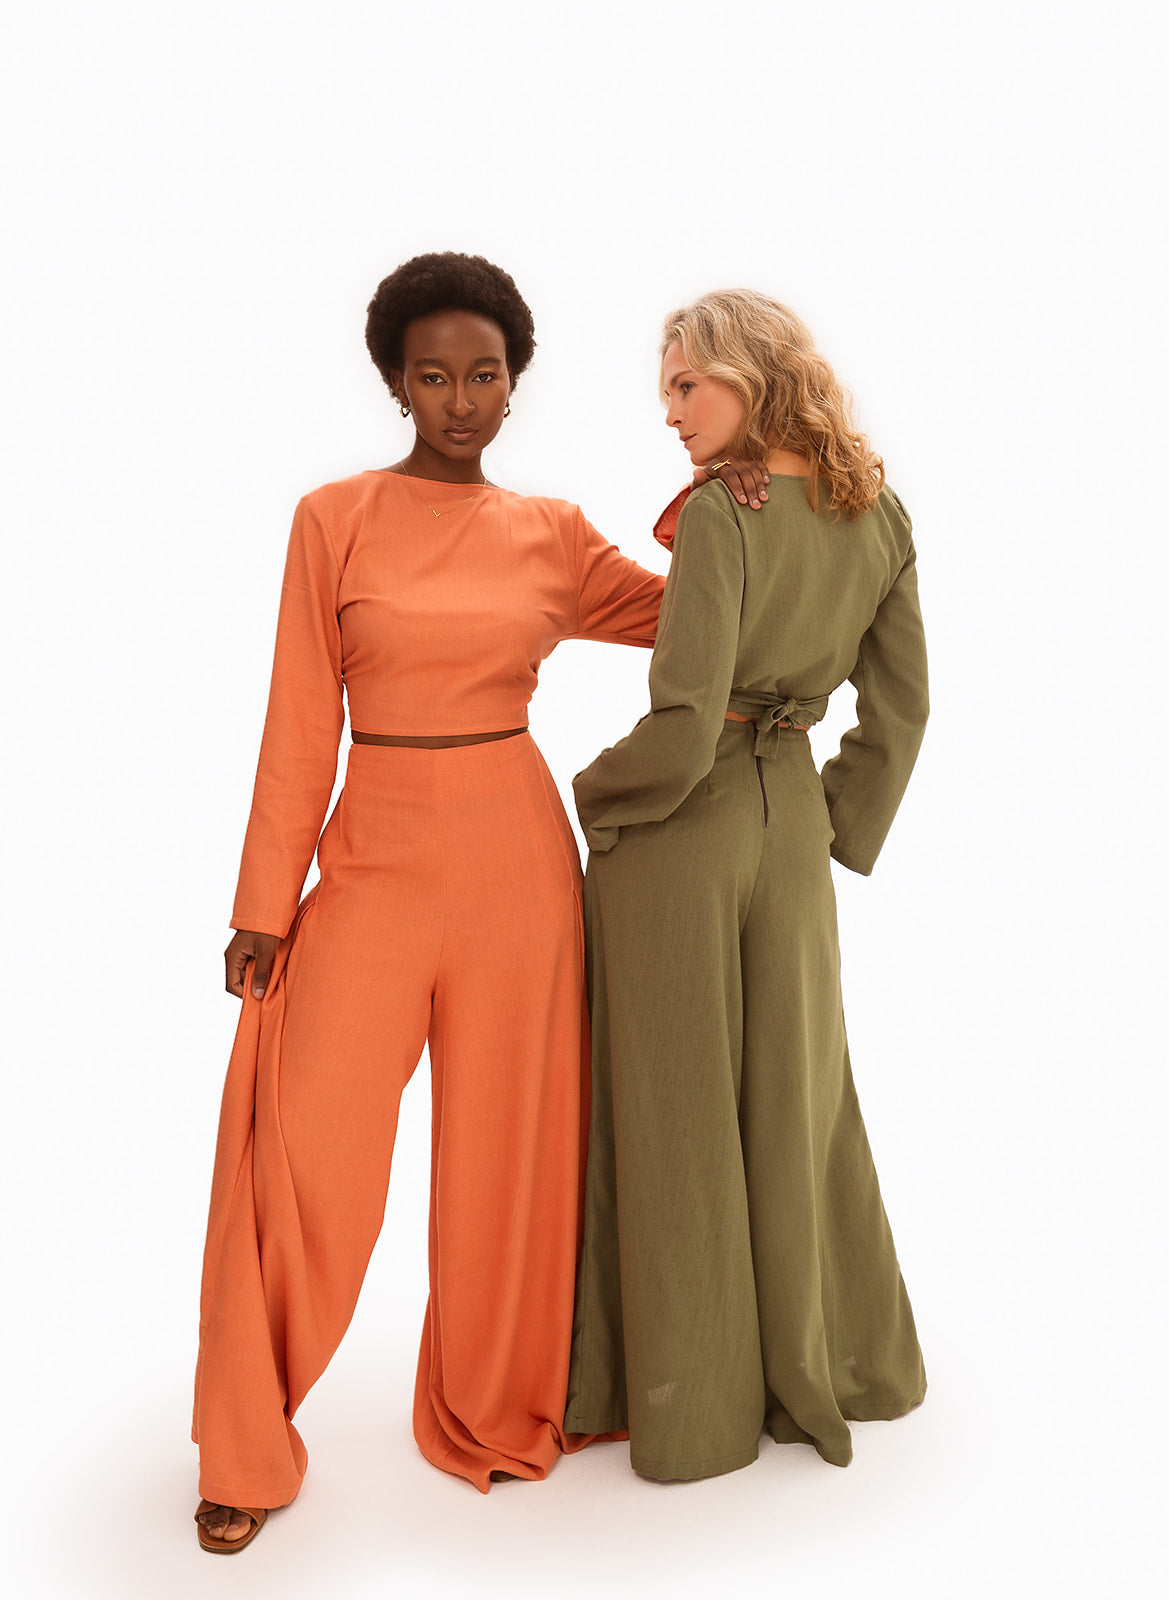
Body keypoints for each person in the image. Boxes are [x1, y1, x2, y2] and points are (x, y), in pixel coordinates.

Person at [191, 252, 680, 1552]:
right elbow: (300, 718)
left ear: (515, 383)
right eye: (433, 376)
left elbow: (693, 617)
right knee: (303, 1151)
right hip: (372, 862)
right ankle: (244, 1445)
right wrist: (265, 902)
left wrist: (742, 498)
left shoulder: (553, 534)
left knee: (511, 1151)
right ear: (396, 384)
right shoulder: (333, 518)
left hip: (518, 865)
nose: (460, 400)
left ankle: (500, 1403)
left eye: (484, 374)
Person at [563, 289, 930, 1483]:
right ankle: (847, 1364)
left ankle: (697, 1410)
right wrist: (834, 822)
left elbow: (680, 725)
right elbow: (902, 711)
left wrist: (594, 793)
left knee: (674, 1109)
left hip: (684, 826)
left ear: (750, 374)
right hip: (790, 830)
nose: (670, 413)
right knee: (797, 1092)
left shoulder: (725, 512)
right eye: (664, 392)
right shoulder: (876, 512)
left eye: (686, 385)